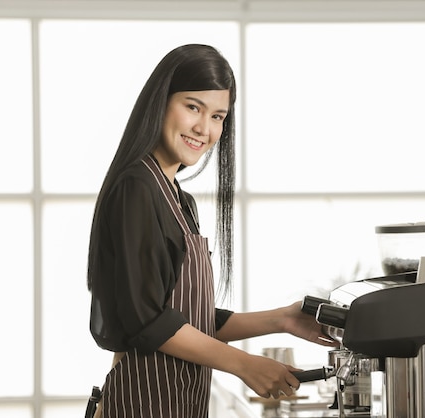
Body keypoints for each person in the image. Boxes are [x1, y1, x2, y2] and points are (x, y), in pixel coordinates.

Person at [87, 44, 337, 417]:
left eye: (218, 116)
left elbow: (187, 317)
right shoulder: (136, 187)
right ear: (161, 101)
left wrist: (281, 319)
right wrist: (244, 364)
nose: (205, 129)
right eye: (193, 107)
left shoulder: (177, 198)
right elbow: (146, 321)